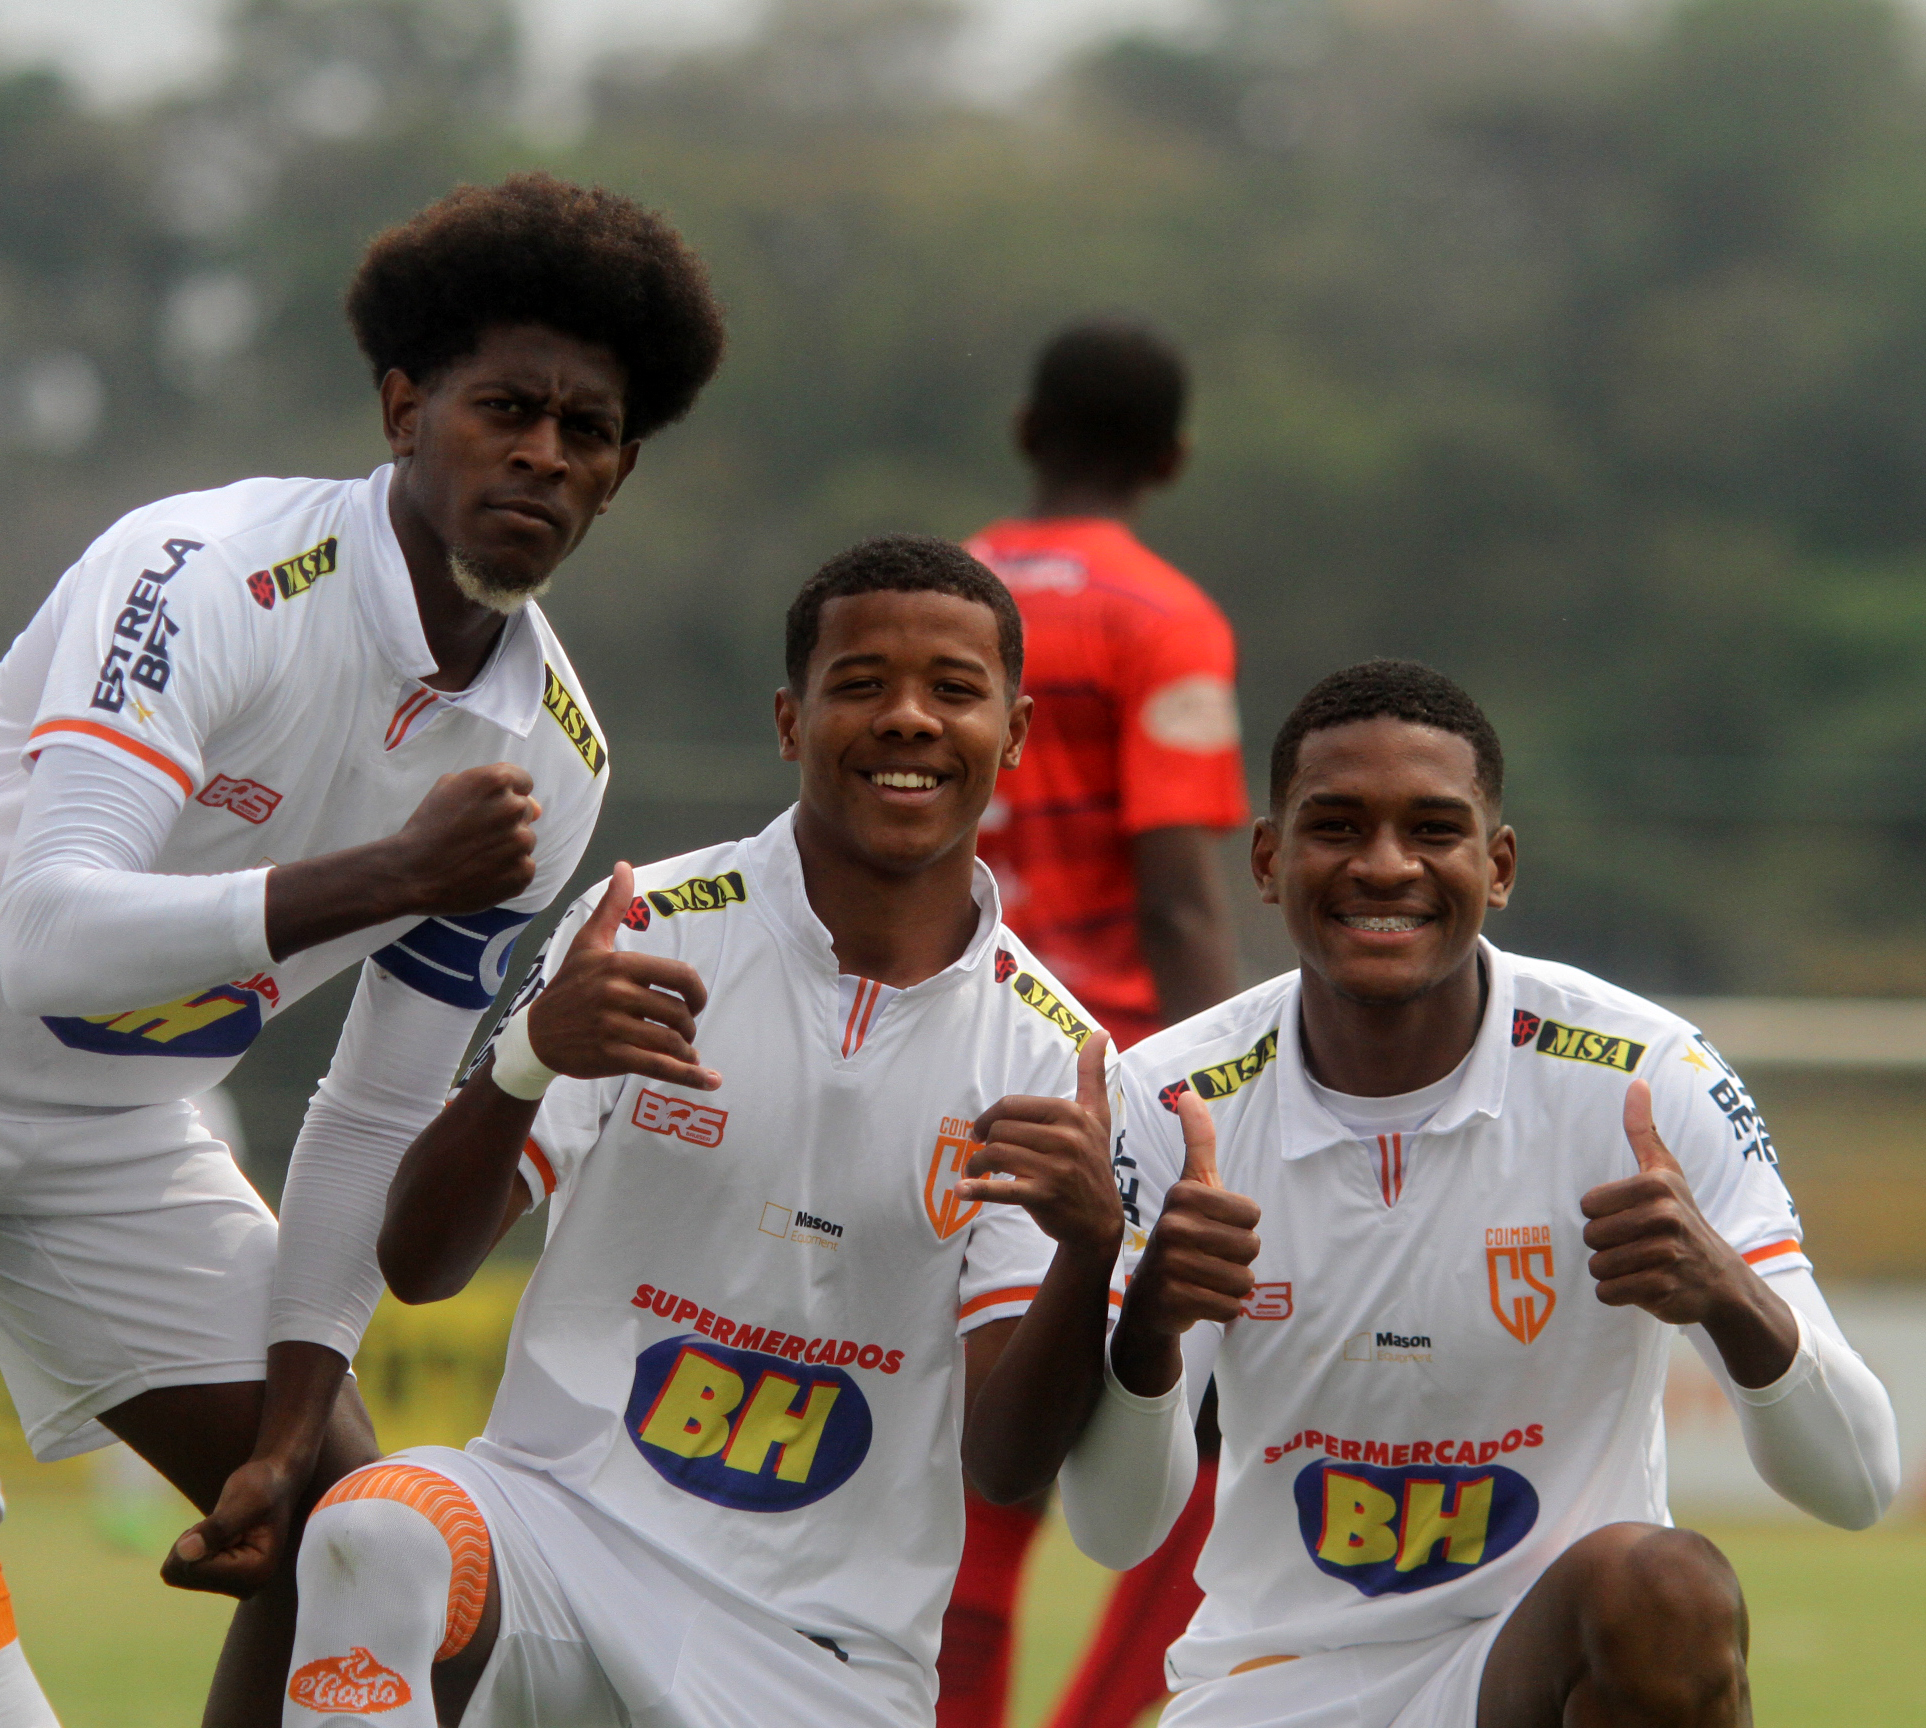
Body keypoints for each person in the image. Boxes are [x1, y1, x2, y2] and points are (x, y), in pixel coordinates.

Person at [0, 173, 724, 1724]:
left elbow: (375, 1109)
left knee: (351, 1535)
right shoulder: (203, 574)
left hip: (111, 1133)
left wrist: (290, 1406)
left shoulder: (557, 756)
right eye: (502, 408)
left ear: (620, 472)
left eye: (582, 431)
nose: (539, 453)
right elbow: (44, 937)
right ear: (406, 406)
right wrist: (384, 871)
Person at [282, 537, 1126, 1727]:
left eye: (952, 690)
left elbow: (1005, 1462)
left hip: (822, 1642)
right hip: (555, 1540)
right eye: (859, 684)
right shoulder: (649, 927)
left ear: (1017, 730)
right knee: (376, 1533)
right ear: (790, 719)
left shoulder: (1055, 1054)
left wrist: (1090, 1252)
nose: (906, 720)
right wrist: (525, 1062)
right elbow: (420, 1267)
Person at [1060, 660, 1902, 1728]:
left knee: (1664, 1596)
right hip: (1271, 1688)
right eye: (1336, 827)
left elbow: (1860, 1483)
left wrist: (1726, 1292)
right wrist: (1150, 1330)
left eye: (1433, 829)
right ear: (1268, 860)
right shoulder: (1173, 1100)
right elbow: (1112, 1531)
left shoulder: (1650, 1077)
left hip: (1527, 1676)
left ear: (1497, 865)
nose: (1385, 866)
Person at [953, 318, 1247, 1728]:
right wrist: (1235, 1109)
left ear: (1024, 430)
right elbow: (1182, 892)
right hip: (1117, 1090)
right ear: (1173, 458)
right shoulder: (1161, 618)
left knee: (972, 1474)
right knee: (1196, 1458)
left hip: (955, 1067)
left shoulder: (947, 594)